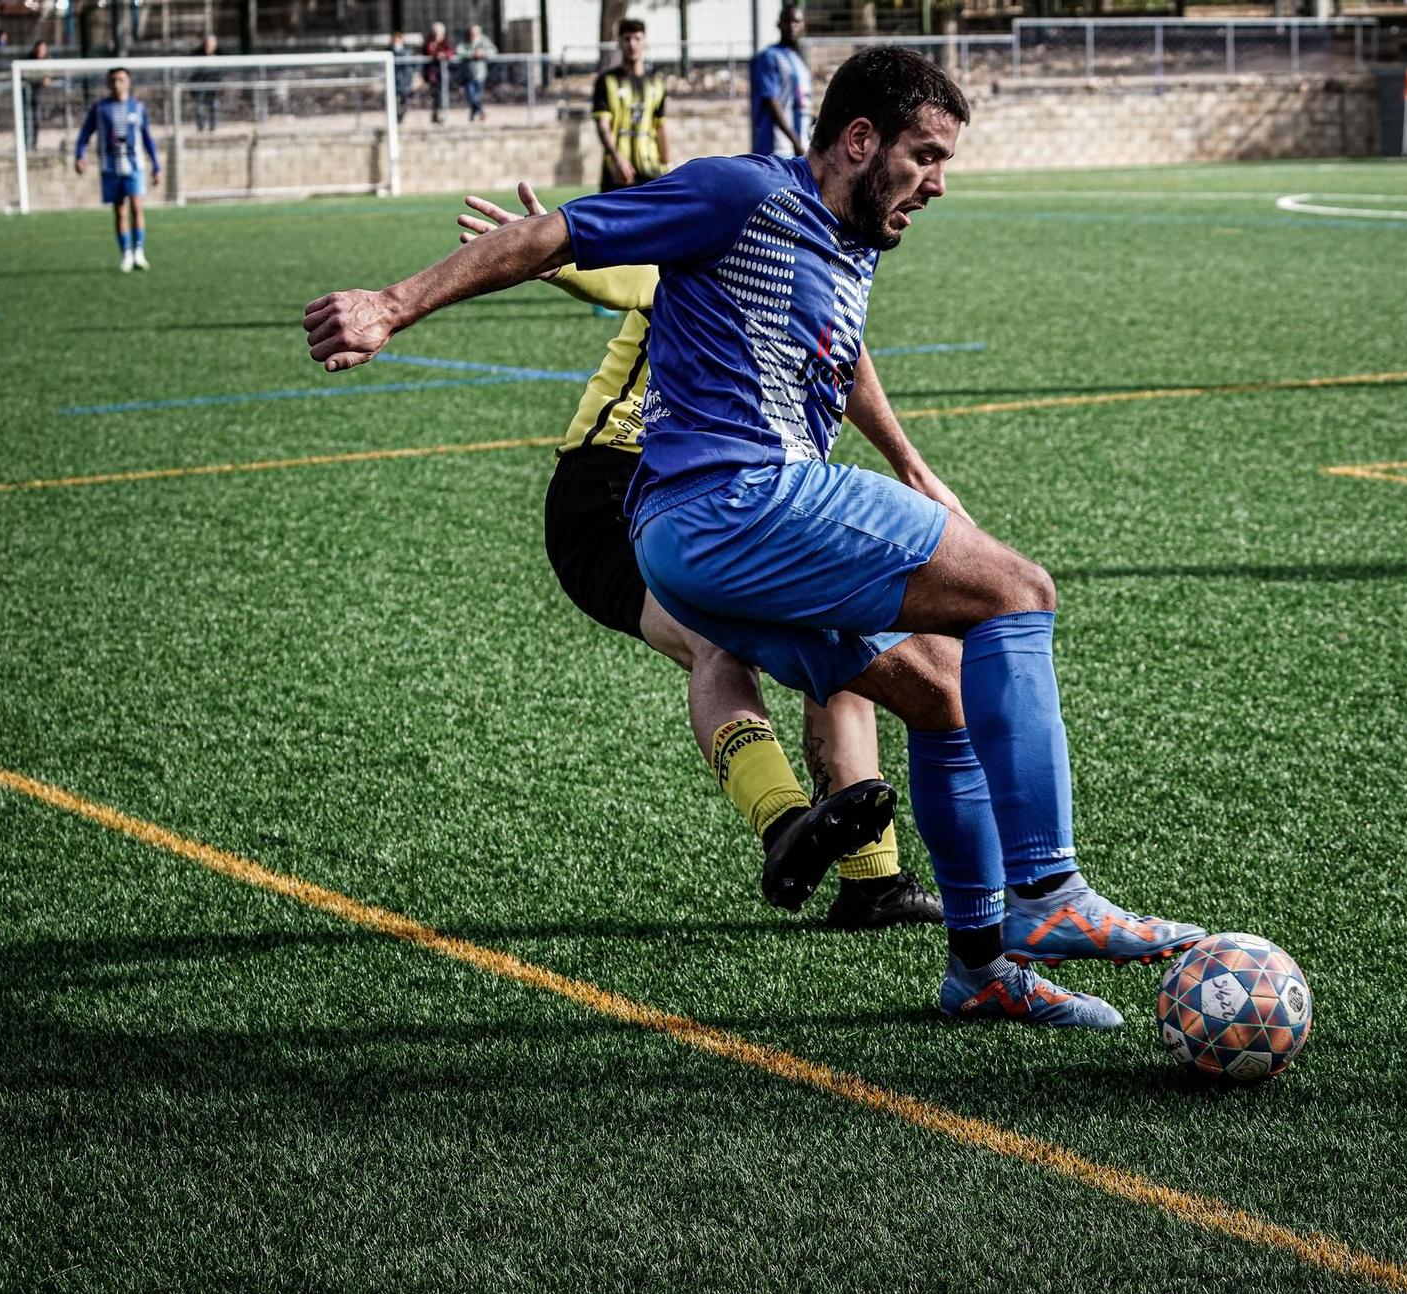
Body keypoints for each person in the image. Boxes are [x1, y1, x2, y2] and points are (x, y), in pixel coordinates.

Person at [305, 48, 1205, 1028]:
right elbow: (556, 235)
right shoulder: (741, 193)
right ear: (857, 140)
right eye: (924, 155)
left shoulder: (849, 240)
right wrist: (391, 305)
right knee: (1019, 591)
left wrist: (907, 464)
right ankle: (1049, 893)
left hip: (713, 541)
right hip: (732, 502)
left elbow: (841, 353)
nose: (937, 183)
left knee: (941, 692)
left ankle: (979, 968)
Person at [454, 182, 947, 931]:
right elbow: (622, 268)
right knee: (715, 641)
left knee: (844, 633)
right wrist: (544, 251)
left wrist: (910, 464)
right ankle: (785, 824)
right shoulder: (716, 251)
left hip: (736, 494)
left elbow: (845, 362)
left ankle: (873, 879)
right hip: (614, 491)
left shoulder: (810, 275)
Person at [75, 67, 160, 273]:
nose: (117, 83)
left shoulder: (137, 108)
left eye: (121, 79)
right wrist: (79, 155)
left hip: (134, 166)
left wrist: (156, 165)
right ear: (107, 83)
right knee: (119, 211)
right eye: (113, 80)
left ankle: (139, 252)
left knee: (137, 207)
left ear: (128, 82)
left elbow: (147, 138)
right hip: (110, 167)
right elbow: (85, 134)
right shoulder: (100, 108)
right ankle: (126, 254)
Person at [592, 18, 669, 192]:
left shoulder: (656, 82)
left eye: (637, 39)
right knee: (611, 218)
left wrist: (667, 163)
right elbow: (603, 126)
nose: (632, 44)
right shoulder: (606, 81)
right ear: (619, 42)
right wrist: (617, 157)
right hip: (617, 171)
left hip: (650, 168)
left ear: (645, 42)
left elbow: (660, 126)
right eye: (627, 39)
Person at [750, 5, 810, 156]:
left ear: (803, 25)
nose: (791, 26)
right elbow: (772, 102)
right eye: (787, 21)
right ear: (779, 24)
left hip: (800, 147)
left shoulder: (799, 61)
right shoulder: (769, 57)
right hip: (776, 148)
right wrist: (795, 141)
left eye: (796, 22)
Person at [458, 24, 496, 122]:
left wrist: (483, 53)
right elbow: (459, 51)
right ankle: (481, 112)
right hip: (468, 73)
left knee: (476, 96)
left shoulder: (484, 41)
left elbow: (493, 51)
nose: (473, 34)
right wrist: (471, 54)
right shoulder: (466, 41)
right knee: (471, 95)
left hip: (480, 73)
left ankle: (473, 116)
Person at [23, 40, 53, 150]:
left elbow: (52, 75)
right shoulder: (28, 60)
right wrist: (41, 80)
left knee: (37, 119)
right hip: (30, 95)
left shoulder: (49, 60)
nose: (41, 51)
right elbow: (26, 76)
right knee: (29, 119)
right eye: (40, 49)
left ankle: (34, 143)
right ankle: (28, 143)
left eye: (43, 49)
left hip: (41, 96)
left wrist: (48, 78)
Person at [422, 23, 454, 124]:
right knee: (436, 95)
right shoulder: (429, 42)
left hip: (443, 74)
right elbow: (428, 51)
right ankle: (437, 114)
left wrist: (444, 54)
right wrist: (437, 54)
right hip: (432, 75)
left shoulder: (445, 42)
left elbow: (449, 52)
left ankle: (440, 115)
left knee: (442, 95)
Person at [190, 33, 223, 134]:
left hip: (213, 85)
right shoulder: (197, 54)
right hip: (199, 85)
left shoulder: (220, 53)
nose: (211, 46)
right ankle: (200, 128)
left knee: (214, 105)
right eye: (209, 43)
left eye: (213, 43)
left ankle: (213, 128)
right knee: (199, 107)